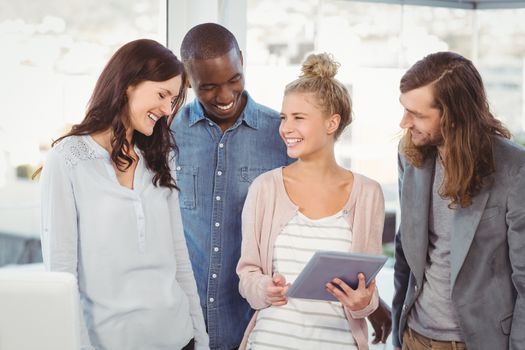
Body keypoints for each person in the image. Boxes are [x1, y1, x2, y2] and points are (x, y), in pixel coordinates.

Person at [38, 39, 208, 350]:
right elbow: (62, 274)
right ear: (128, 83)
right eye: (161, 95)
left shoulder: (160, 158)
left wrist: (202, 339)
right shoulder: (67, 160)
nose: (168, 110)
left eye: (173, 100)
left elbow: (179, 259)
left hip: (180, 338)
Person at [236, 53, 385, 350]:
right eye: (283, 117)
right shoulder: (265, 188)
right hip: (270, 342)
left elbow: (367, 291)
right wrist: (264, 289)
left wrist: (363, 303)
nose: (285, 128)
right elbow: (247, 276)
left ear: (332, 123)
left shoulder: (368, 194)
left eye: (298, 118)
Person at [392, 51, 525, 350]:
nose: (404, 122)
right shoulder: (410, 156)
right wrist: (397, 337)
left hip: (477, 342)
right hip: (414, 336)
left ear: (454, 116)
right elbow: (405, 251)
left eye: (418, 114)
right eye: (405, 109)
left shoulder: (515, 168)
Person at [170, 23, 292, 350]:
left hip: (254, 326)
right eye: (208, 86)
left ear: (243, 61)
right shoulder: (167, 134)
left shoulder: (280, 135)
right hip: (182, 325)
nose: (224, 96)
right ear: (187, 77)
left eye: (234, 79)